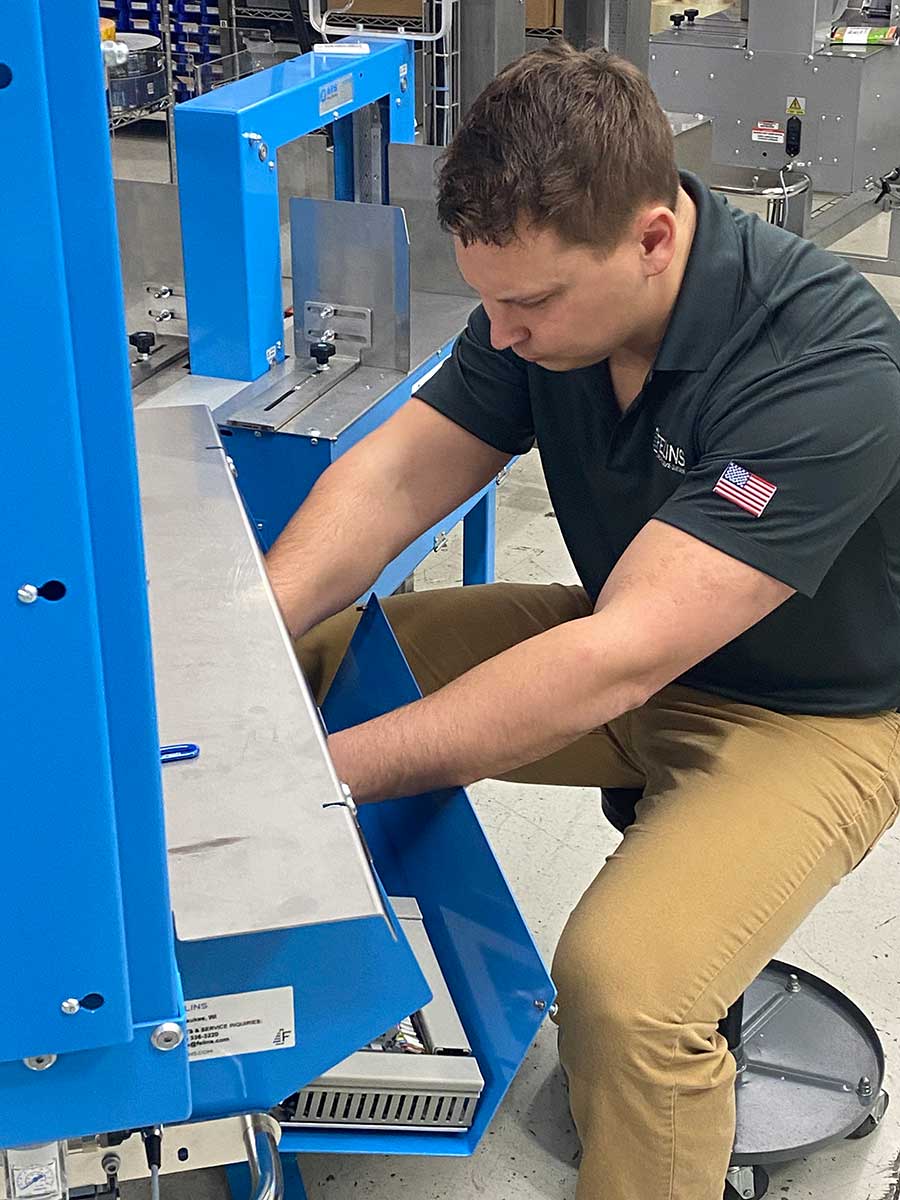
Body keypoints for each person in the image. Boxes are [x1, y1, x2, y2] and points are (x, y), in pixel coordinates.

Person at [266, 42, 900, 1200]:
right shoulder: (550, 308)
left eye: (532, 303)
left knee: (629, 993)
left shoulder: (829, 358)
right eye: (490, 300)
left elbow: (620, 657)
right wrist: (240, 639)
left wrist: (311, 783)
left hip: (807, 716)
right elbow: (397, 478)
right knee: (310, 665)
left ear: (654, 238)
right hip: (631, 640)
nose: (502, 335)